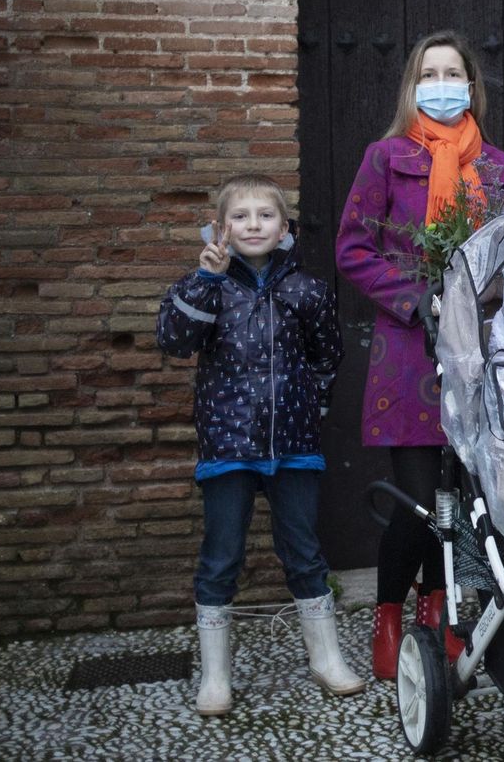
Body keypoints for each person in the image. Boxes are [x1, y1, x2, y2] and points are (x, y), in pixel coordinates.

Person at [335, 30, 504, 679]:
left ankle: (437, 615)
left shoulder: (498, 167)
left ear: (472, 85)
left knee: (464, 497)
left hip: (478, 353)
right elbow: (353, 249)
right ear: (414, 86)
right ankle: (390, 613)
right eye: (429, 73)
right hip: (408, 354)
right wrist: (417, 297)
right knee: (419, 503)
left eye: (453, 72)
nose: (442, 83)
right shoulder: (386, 157)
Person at [157, 174, 366, 716]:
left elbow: (327, 358)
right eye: (241, 217)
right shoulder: (207, 287)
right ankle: (215, 677)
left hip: (294, 447)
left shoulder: (308, 290)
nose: (253, 225)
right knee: (221, 556)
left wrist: (308, 410)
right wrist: (204, 280)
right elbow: (175, 343)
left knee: (303, 551)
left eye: (265, 216)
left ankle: (326, 659)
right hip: (227, 447)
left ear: (286, 228)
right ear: (219, 228)